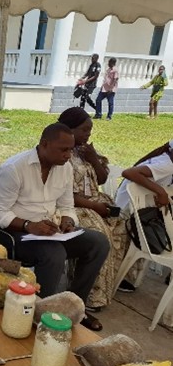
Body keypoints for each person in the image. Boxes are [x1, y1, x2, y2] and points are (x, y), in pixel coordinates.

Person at [0, 122, 110, 331]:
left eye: (70, 150)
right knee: (54, 254)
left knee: (98, 242)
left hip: (50, 232)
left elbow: (67, 205)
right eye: (63, 150)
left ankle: (73, 307)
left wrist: (68, 221)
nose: (68, 155)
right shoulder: (14, 168)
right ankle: (40, 314)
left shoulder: (65, 168)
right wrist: (29, 225)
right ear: (44, 144)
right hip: (16, 234)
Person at [58, 107, 136, 308]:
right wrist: (94, 206)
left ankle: (111, 281)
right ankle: (93, 294)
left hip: (96, 202)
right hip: (75, 205)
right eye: (84, 130)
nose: (88, 134)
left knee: (124, 226)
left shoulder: (85, 151)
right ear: (69, 129)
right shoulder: (62, 153)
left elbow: (101, 179)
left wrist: (93, 158)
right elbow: (64, 195)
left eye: (90, 130)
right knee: (101, 234)